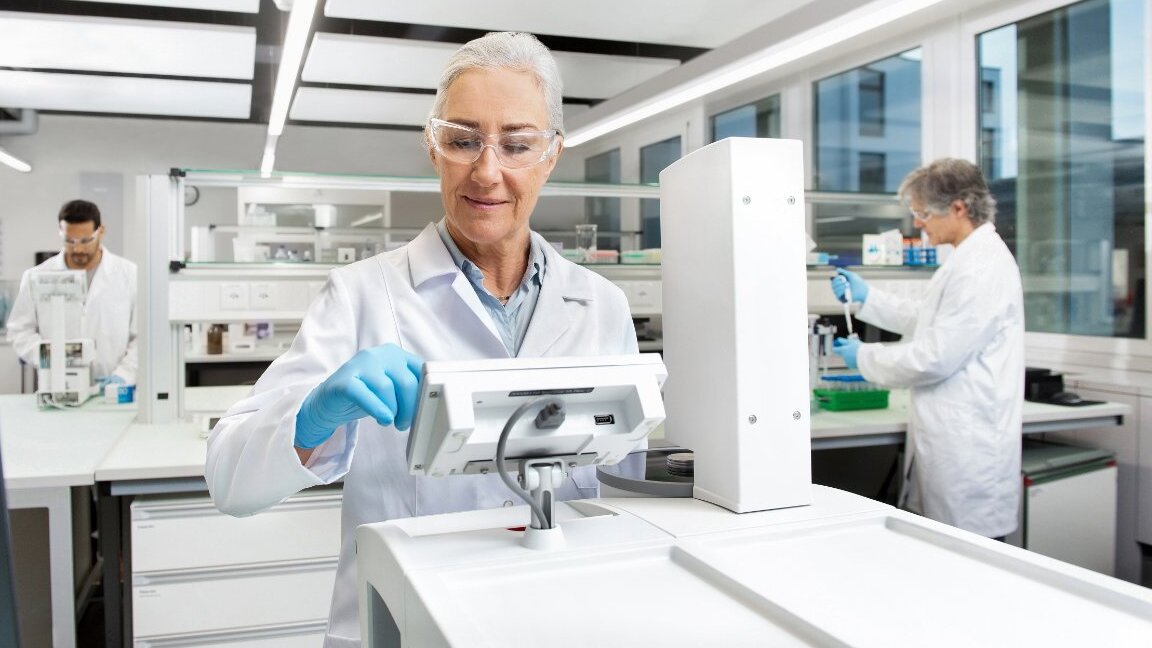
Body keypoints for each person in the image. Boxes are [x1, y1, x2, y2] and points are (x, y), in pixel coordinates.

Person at [206, 32, 639, 648]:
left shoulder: (599, 304)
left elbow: (623, 486)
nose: (487, 171)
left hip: (563, 619)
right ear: (433, 147)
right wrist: (309, 419)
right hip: (403, 625)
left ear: (551, 155)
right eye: (463, 141)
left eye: (516, 144)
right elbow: (229, 482)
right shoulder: (360, 295)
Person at [829, 158, 1024, 539]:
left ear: (958, 208)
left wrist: (864, 357)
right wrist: (868, 298)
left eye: (922, 213)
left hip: (969, 450)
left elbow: (935, 357)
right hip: (949, 436)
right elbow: (928, 319)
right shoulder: (965, 259)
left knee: (965, 566)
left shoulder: (981, 268)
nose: (918, 223)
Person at [6, 199, 138, 386]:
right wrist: (50, 357)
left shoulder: (130, 275)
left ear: (100, 232)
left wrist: (124, 375)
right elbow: (19, 331)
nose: (78, 248)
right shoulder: (37, 276)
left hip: (115, 390)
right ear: (61, 233)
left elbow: (142, 337)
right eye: (69, 241)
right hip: (57, 386)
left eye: (85, 240)